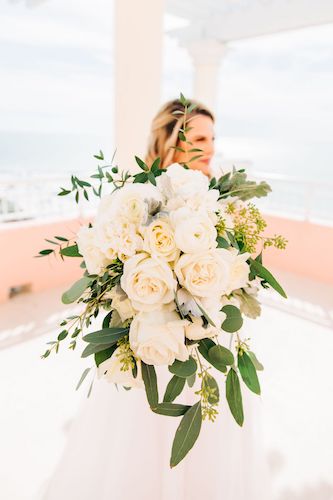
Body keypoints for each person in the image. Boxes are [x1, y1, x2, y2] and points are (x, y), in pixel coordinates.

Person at [42, 98, 272, 500]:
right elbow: (115, 273)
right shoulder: (138, 198)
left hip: (207, 346)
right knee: (141, 445)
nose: (212, 147)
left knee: (209, 455)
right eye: (200, 137)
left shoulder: (219, 200)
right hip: (153, 346)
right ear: (171, 139)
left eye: (213, 137)